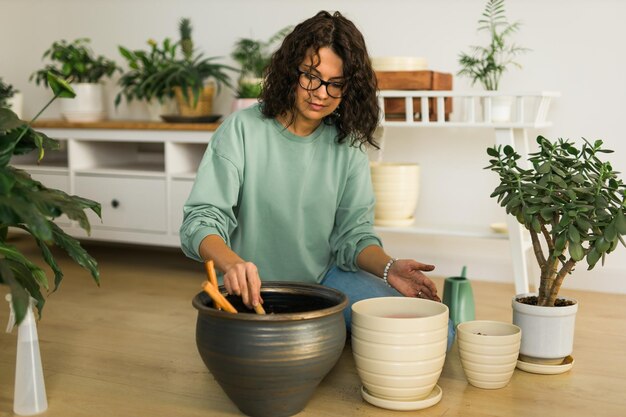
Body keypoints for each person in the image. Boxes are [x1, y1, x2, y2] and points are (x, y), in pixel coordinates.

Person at [180, 10, 442, 328]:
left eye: (335, 84)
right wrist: (232, 263)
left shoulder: (349, 144)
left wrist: (389, 268)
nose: (320, 93)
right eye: (311, 76)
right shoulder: (241, 130)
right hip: (252, 288)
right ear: (291, 70)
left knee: (435, 332)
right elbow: (201, 221)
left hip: (327, 279)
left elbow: (354, 235)